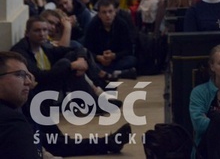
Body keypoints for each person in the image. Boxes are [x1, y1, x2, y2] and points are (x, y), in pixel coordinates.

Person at [0, 50, 130, 158]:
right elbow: (42, 77)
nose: (43, 33)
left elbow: (74, 49)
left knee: (56, 140)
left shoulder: (46, 47)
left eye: (27, 75)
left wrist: (78, 59)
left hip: (38, 103)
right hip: (44, 94)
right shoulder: (12, 122)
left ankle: (105, 137)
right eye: (20, 75)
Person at [84, 0, 138, 79]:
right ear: (99, 14)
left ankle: (108, 73)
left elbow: (128, 49)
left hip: (117, 59)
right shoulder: (92, 26)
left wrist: (114, 56)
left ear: (115, 12)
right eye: (104, 12)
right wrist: (98, 58)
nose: (107, 15)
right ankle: (119, 73)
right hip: (99, 60)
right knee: (89, 64)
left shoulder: (122, 24)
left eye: (110, 11)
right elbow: (87, 49)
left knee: (132, 60)